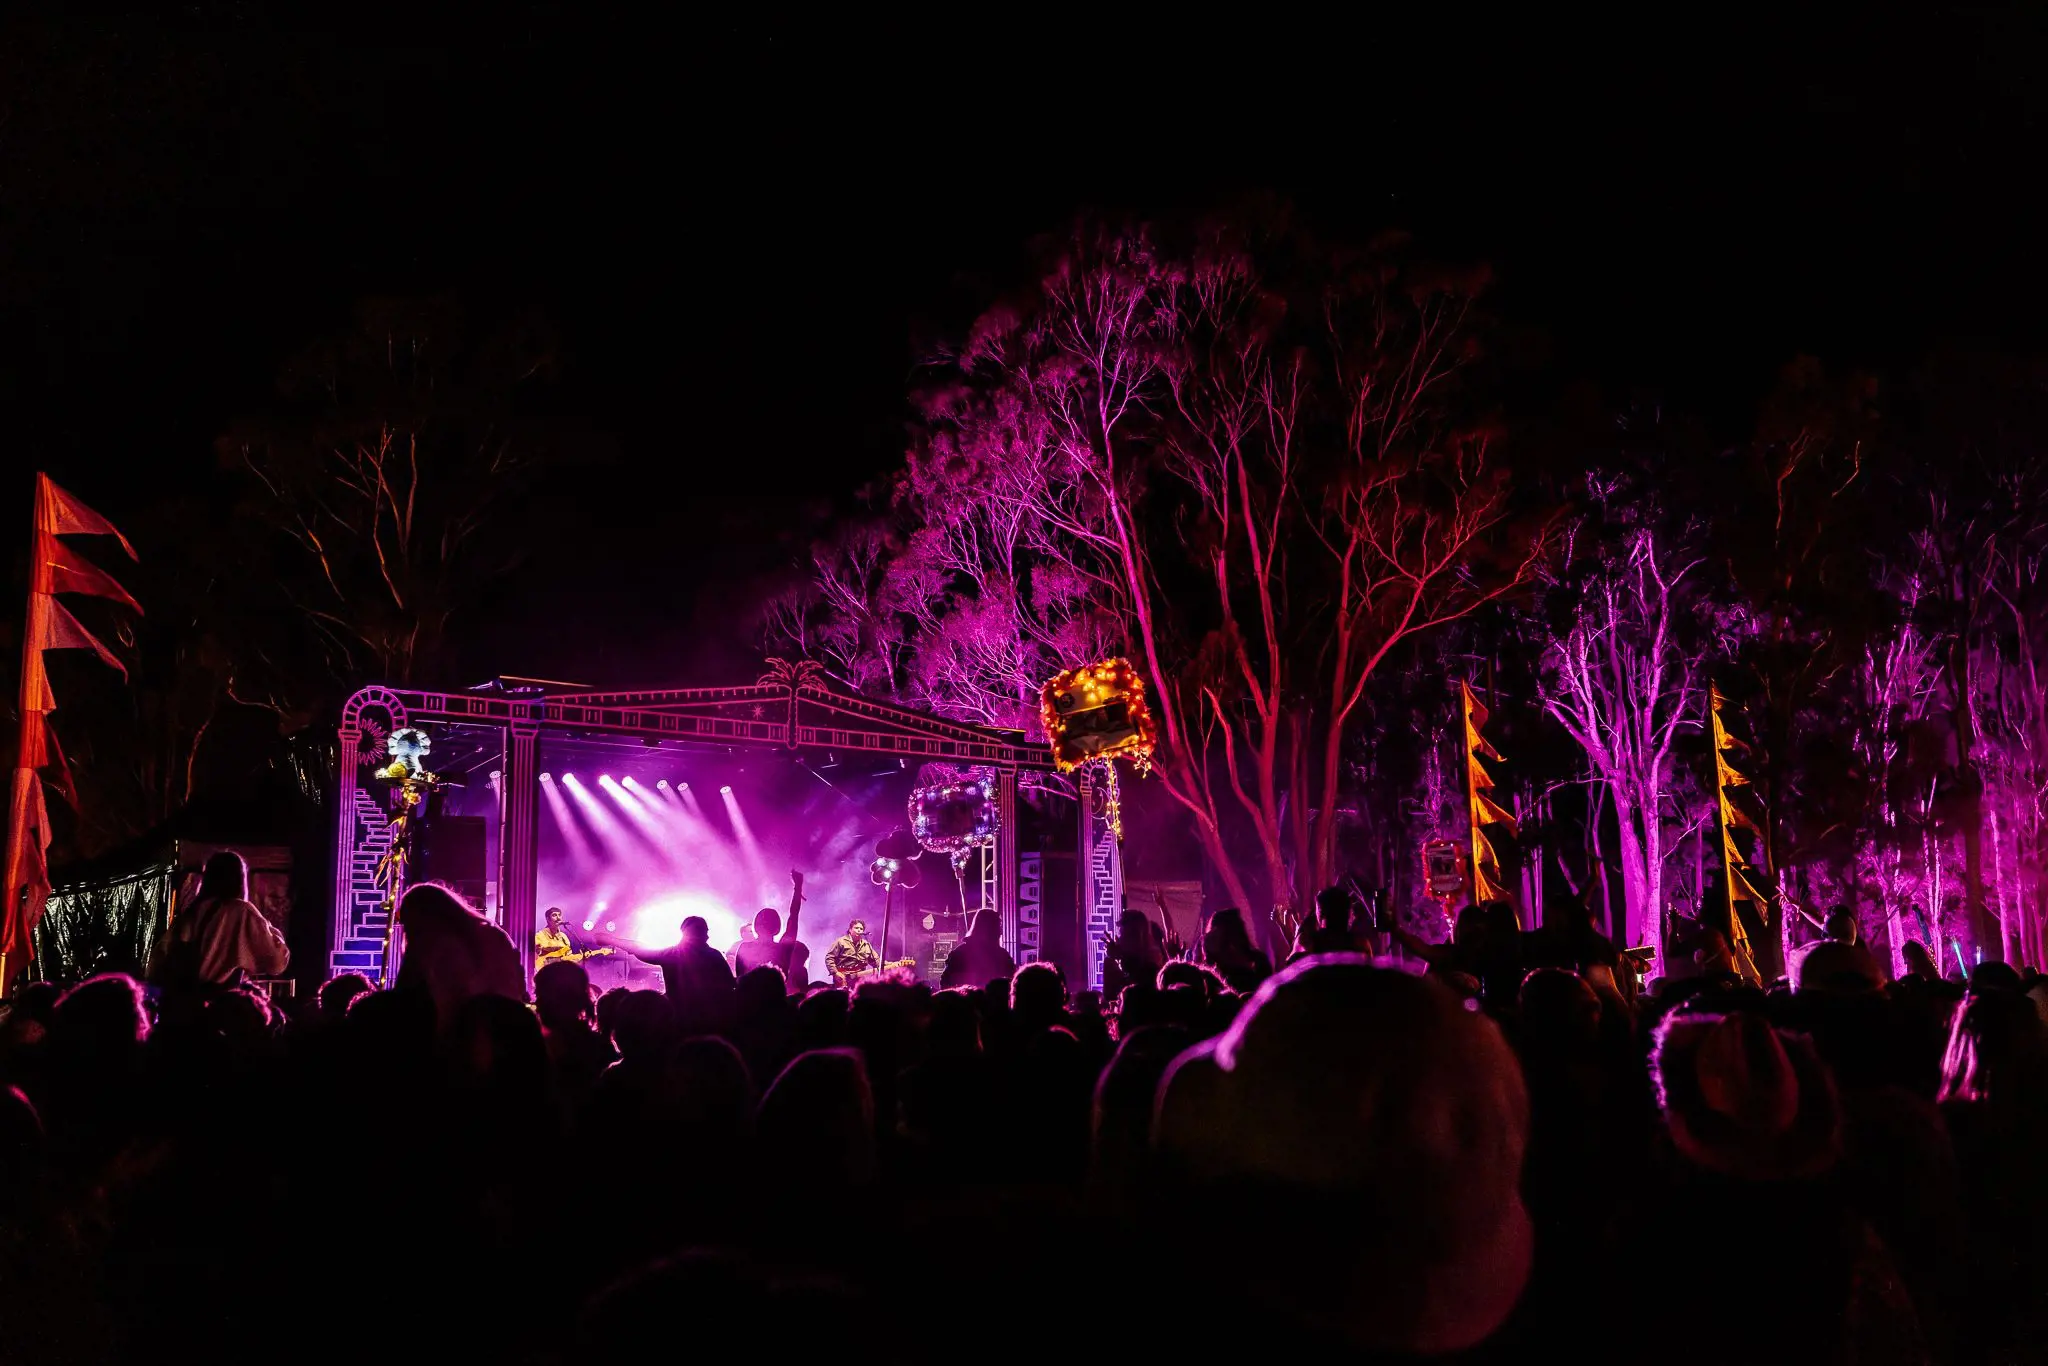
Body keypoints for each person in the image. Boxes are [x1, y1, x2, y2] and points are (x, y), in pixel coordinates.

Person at [393, 882, 528, 1027]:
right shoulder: (492, 933)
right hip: (505, 1023)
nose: (407, 930)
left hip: (476, 1027)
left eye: (408, 923)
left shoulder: (435, 943)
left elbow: (407, 992)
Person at [151, 850, 289, 988]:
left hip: (182, 1002)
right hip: (219, 1004)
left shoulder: (193, 910)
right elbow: (277, 962)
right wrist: (270, 929)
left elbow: (160, 956)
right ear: (240, 879)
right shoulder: (241, 912)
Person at [623, 915, 734, 1032]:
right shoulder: (714, 955)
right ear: (699, 933)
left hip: (678, 1020)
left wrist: (609, 940)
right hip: (710, 1021)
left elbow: (639, 950)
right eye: (704, 931)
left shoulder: (670, 954)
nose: (707, 936)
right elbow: (730, 985)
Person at [733, 871, 806, 987]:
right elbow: (793, 916)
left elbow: (739, 980)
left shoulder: (745, 947)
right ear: (777, 927)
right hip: (774, 1001)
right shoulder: (783, 949)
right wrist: (798, 889)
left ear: (756, 925)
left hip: (748, 1001)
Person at [940, 909, 1014, 989]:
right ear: (991, 929)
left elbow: (945, 983)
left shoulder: (959, 953)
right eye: (998, 926)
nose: (1001, 932)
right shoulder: (1001, 955)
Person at [534, 906, 612, 973]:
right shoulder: (540, 935)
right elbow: (537, 951)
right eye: (554, 915)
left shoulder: (563, 937)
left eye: (559, 915)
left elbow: (568, 958)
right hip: (545, 971)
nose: (558, 918)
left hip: (560, 973)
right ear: (548, 919)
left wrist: (583, 958)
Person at [824, 918, 881, 988]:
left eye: (861, 929)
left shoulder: (866, 944)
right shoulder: (841, 941)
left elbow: (877, 961)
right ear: (850, 930)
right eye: (856, 928)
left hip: (859, 979)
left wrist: (893, 964)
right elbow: (829, 958)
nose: (859, 930)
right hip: (843, 977)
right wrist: (835, 973)